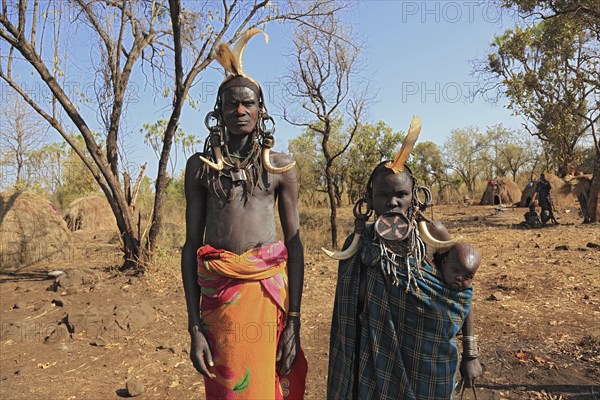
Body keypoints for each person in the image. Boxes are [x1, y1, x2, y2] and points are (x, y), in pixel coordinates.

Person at [181, 29, 307, 399]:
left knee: (265, 386)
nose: (240, 110)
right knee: (228, 390)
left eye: (248, 104)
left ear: (260, 111)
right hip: (218, 299)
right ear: (217, 113)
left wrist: (294, 322)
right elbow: (191, 246)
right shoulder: (200, 168)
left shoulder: (280, 168)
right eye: (231, 104)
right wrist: (193, 328)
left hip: (266, 298)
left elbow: (295, 244)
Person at [326, 116, 482, 399]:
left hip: (427, 361)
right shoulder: (357, 244)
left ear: (415, 197)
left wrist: (470, 353)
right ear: (369, 198)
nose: (392, 202)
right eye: (383, 194)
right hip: (372, 363)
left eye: (401, 194)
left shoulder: (433, 235)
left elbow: (461, 294)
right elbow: (348, 312)